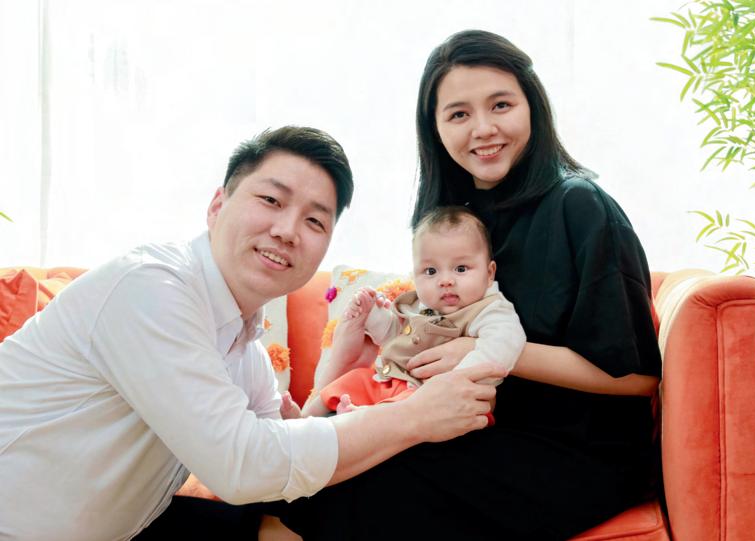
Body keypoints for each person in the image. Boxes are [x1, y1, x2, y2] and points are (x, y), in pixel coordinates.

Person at [0, 126, 505, 541]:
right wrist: (415, 417)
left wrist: (341, 372)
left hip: (127, 527)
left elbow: (285, 455)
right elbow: (244, 466)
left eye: (315, 221)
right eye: (270, 199)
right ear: (217, 205)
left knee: (303, 522)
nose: (287, 230)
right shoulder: (150, 287)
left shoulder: (245, 348)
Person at [265, 30, 662, 541]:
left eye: (501, 105)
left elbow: (637, 378)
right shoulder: (455, 222)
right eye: (458, 114)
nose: (483, 129)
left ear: (533, 107)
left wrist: (489, 352)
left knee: (344, 488)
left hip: (577, 455)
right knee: (307, 464)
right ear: (434, 129)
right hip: (474, 428)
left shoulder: (580, 206)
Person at [302, 206, 525, 418]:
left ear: (489, 273)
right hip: (392, 381)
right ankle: (304, 421)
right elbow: (394, 338)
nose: (445, 280)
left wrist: (459, 377)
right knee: (351, 381)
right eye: (431, 271)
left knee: (403, 409)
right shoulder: (420, 306)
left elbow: (504, 343)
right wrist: (373, 315)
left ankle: (360, 420)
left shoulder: (489, 310)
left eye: (460, 269)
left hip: (441, 398)